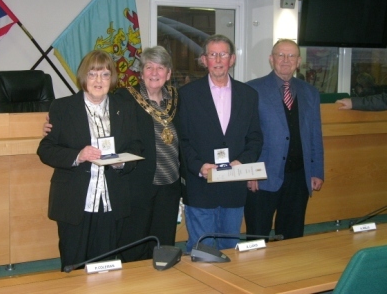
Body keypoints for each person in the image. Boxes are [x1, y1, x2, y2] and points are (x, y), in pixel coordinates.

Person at [37, 50, 142, 271]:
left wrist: (121, 163)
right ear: (84, 76)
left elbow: (135, 146)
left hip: (111, 201)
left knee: (107, 267)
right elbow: (46, 150)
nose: (99, 80)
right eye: (93, 74)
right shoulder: (63, 108)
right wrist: (78, 155)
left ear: (111, 79)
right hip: (75, 201)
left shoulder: (124, 107)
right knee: (73, 266)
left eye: (105, 74)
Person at [179, 34, 263, 252]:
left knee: (229, 248)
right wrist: (198, 166)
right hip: (200, 186)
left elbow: (255, 137)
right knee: (201, 249)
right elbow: (182, 140)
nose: (217, 60)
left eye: (223, 54)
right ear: (204, 60)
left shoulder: (249, 95)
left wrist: (241, 162)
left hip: (234, 187)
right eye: (212, 54)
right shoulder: (186, 95)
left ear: (232, 59)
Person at [244, 39, 324, 240]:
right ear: (271, 60)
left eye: (291, 56)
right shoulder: (251, 90)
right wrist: (249, 172)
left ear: (298, 61)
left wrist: (317, 171)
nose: (286, 60)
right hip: (263, 176)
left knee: (292, 236)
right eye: (280, 55)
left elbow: (315, 134)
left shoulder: (310, 93)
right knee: (257, 235)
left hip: (298, 177)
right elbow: (244, 135)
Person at [115, 46, 182, 262]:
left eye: (160, 68)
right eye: (149, 67)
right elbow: (95, 113)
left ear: (168, 74)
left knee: (164, 244)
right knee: (134, 243)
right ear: (141, 72)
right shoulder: (124, 98)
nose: (154, 73)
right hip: (138, 184)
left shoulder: (177, 99)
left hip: (170, 184)